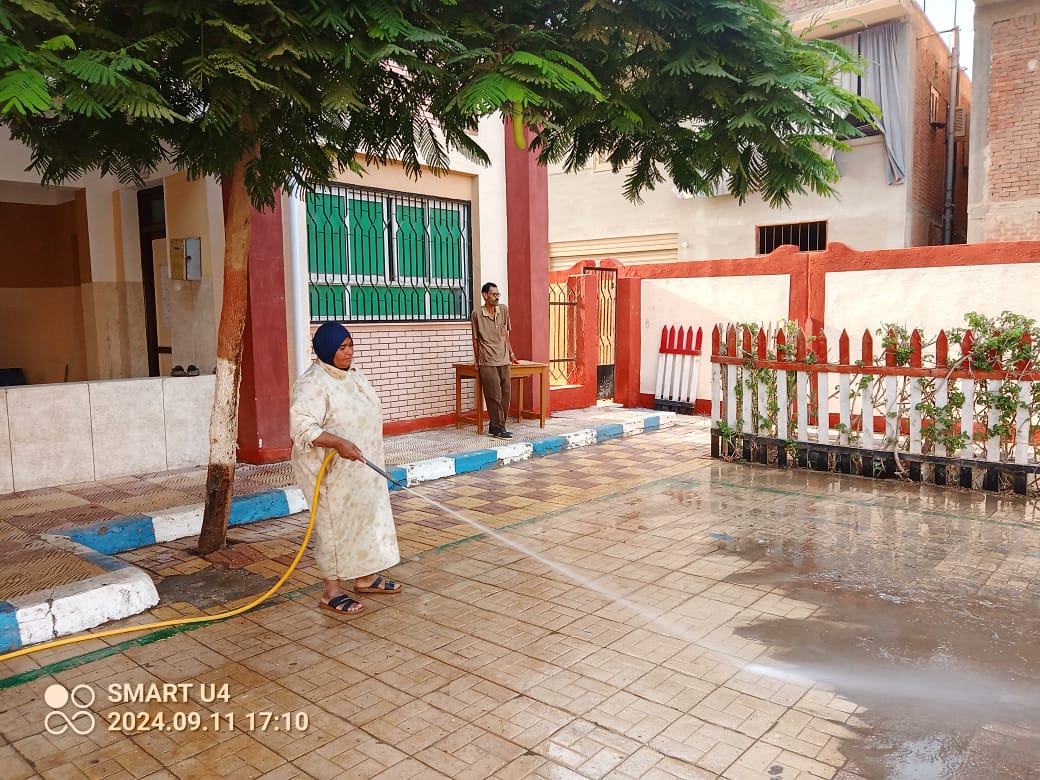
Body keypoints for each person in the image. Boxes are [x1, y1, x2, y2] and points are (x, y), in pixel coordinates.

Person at [289, 322, 402, 616]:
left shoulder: (351, 374)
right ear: (327, 348)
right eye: (342, 347)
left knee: (363, 519)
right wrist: (338, 443)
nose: (349, 352)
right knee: (333, 525)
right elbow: (302, 428)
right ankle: (332, 592)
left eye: (351, 345)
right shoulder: (313, 383)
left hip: (360, 468)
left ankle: (364, 577)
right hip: (330, 472)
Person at [471, 281, 519, 438]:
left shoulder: (503, 310)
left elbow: (505, 334)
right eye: (494, 294)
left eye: (498, 294)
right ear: (485, 295)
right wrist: (477, 360)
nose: (497, 297)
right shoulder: (477, 314)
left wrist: (511, 354)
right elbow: (475, 340)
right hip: (487, 361)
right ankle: (498, 429)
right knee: (493, 396)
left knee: (506, 395)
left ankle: (497, 426)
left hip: (504, 359)